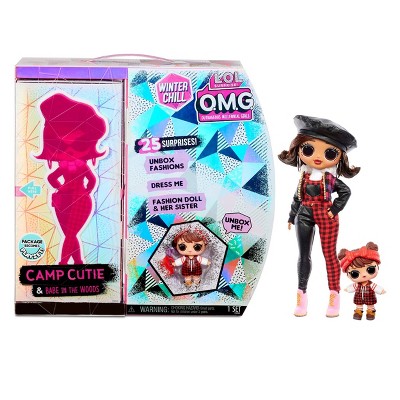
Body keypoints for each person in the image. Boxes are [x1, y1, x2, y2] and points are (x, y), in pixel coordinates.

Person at [278, 115, 360, 317]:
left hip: (326, 214)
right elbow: (297, 197)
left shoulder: (330, 178)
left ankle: (334, 296)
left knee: (329, 255)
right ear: (299, 149)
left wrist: (334, 209)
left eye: (330, 153)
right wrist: (292, 216)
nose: (317, 157)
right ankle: (301, 295)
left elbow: (346, 192)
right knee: (303, 255)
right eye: (308, 149)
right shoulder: (304, 176)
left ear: (339, 157)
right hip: (304, 213)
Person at [35, 93, 108, 264]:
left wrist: (84, 192)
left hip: (79, 200)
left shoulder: (81, 166)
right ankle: (78, 262)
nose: (69, 150)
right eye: (62, 144)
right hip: (64, 199)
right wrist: (61, 188)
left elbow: (91, 180)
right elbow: (52, 178)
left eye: (78, 143)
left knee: (69, 234)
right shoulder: (64, 167)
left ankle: (63, 264)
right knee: (70, 234)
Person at [339, 242, 386, 320]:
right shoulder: (357, 285)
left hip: (370, 297)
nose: (364, 275)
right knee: (358, 304)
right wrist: (347, 289)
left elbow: (376, 287)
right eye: (355, 274)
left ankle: (370, 311)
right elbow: (352, 287)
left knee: (370, 305)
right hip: (359, 298)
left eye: (370, 269)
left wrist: (381, 290)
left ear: (377, 266)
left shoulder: (371, 285)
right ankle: (358, 311)